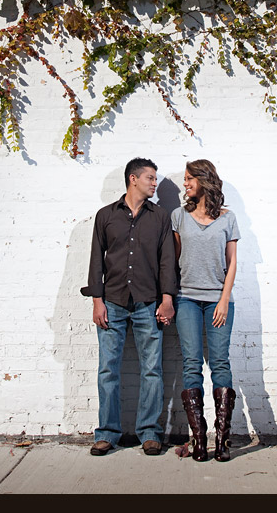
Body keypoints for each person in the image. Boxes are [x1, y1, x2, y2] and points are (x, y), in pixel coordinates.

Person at [80, 157, 177, 456]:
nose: (154, 182)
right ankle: (107, 433)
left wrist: (167, 298)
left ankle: (149, 432)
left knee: (152, 370)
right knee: (108, 369)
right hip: (113, 301)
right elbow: (97, 259)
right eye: (150, 177)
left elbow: (166, 261)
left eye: (155, 178)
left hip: (149, 303)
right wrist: (98, 301)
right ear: (133, 179)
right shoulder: (105, 216)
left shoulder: (160, 217)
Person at [171, 159, 240, 462]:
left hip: (218, 300)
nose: (185, 184)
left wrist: (224, 300)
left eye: (189, 179)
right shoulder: (178, 217)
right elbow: (173, 261)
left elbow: (232, 261)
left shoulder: (228, 218)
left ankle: (222, 441)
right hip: (186, 298)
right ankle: (199, 440)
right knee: (191, 364)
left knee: (220, 363)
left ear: (203, 180)